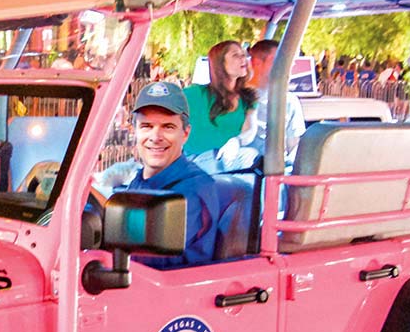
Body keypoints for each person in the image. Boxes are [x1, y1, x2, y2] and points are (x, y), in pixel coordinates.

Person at [115, 81, 240, 269]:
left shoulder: (194, 189)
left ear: (185, 134)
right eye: (147, 126)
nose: (155, 137)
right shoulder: (140, 182)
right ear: (135, 132)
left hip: (171, 293)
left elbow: (148, 261)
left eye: (168, 127)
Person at [180, 40, 255, 172]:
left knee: (251, 156)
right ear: (220, 63)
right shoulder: (194, 94)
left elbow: (249, 131)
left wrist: (237, 141)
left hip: (229, 163)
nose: (243, 58)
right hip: (196, 162)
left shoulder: (248, 98)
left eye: (243, 54)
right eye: (235, 55)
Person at [242, 39, 305, 165]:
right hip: (245, 166)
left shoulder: (290, 101)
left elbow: (294, 145)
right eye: (277, 61)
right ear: (257, 62)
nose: (285, 66)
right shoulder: (237, 97)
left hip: (279, 170)